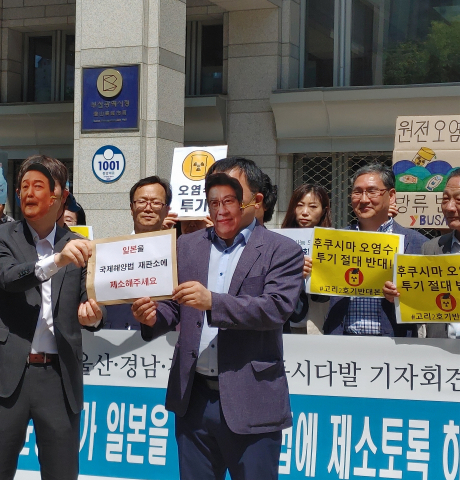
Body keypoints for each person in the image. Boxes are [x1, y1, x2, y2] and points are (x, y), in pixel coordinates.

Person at [132, 166, 305, 480]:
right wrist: (153, 315)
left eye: (231, 198)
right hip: (193, 398)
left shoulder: (282, 250)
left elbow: (276, 308)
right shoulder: (186, 245)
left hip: (251, 398)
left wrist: (213, 301)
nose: (221, 208)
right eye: (214, 200)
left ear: (256, 201)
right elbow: (174, 305)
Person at [0, 157, 104, 480]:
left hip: (59, 377)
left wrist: (93, 316)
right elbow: (7, 276)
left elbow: (92, 300)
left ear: (61, 196)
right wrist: (56, 261)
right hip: (6, 374)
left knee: (61, 473)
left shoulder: (80, 246)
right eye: (23, 187)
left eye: (38, 186)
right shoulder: (0, 237)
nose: (28, 193)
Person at [320, 164, 428, 337]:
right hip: (342, 342)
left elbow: (429, 302)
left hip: (395, 344)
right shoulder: (334, 242)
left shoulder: (418, 244)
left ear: (391, 196)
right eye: (357, 192)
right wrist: (308, 275)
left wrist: (404, 295)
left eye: (372, 191)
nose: (363, 199)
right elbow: (320, 297)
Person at [383, 169, 460, 338]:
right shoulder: (431, 248)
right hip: (439, 348)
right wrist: (398, 295)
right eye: (445, 199)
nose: (449, 207)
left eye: (458, 200)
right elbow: (423, 300)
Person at [105, 176, 172, 330]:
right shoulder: (109, 252)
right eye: (142, 201)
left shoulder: (177, 253)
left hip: (159, 338)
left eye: (156, 202)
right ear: (131, 208)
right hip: (113, 337)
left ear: (167, 210)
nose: (148, 208)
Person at [281, 184, 332, 334]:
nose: (305, 212)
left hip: (317, 325)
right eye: (299, 205)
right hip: (284, 324)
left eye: (313, 207)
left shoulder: (333, 244)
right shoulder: (278, 240)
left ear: (324, 211)